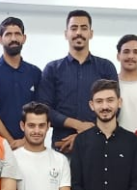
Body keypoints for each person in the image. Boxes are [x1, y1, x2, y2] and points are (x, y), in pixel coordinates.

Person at [39, 9, 118, 153]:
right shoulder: (52, 69)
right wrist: (78, 125)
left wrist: (86, 134)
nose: (78, 32)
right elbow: (44, 109)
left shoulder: (106, 67)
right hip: (63, 147)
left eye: (84, 28)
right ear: (66, 33)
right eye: (74, 28)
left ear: (91, 33)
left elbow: (114, 107)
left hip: (99, 146)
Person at [0, 16, 41, 149]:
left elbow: (40, 113)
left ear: (24, 38)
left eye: (17, 34)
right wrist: (10, 143)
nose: (13, 38)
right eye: (8, 34)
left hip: (29, 145)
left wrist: (26, 141)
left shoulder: (35, 73)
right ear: (0, 39)